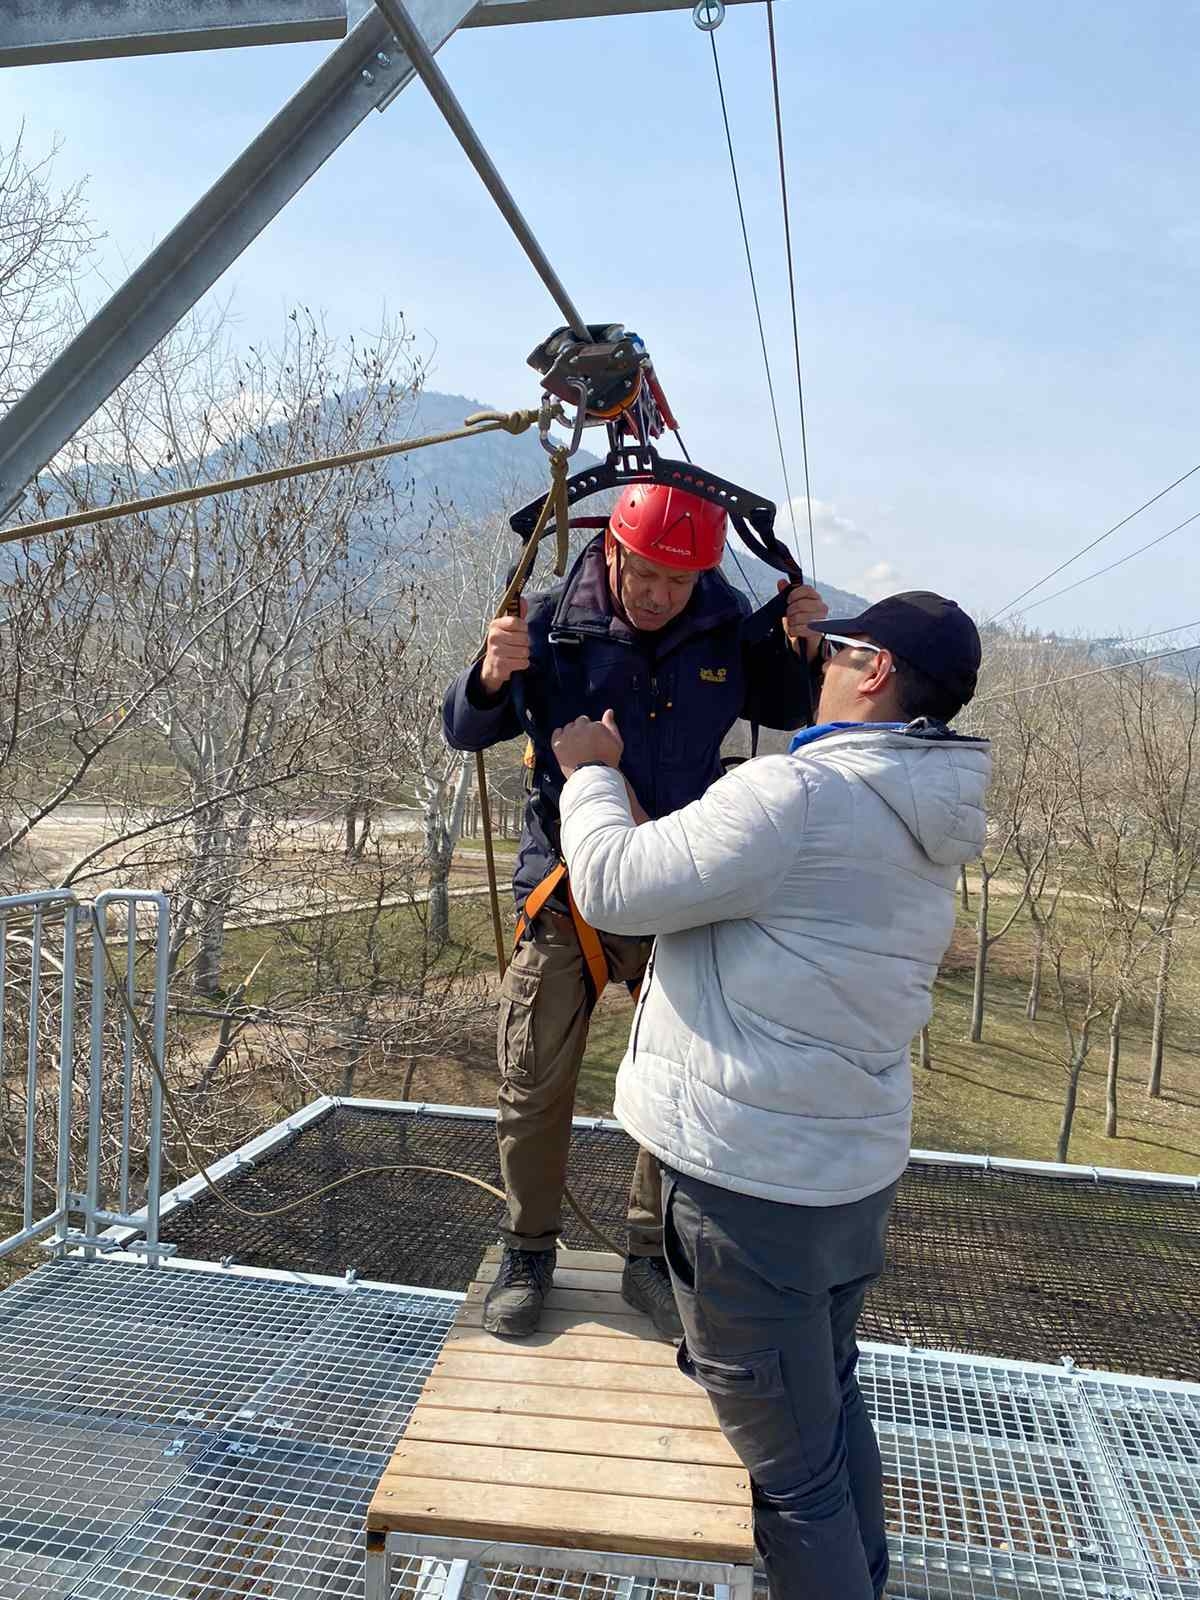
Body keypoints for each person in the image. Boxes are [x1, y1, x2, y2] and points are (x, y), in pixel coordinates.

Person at [552, 591, 991, 1600]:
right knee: (824, 1411)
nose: (816, 662)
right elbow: (758, 905)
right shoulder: (920, 813)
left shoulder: (795, 796)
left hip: (749, 1195)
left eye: (832, 649)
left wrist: (591, 775)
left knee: (792, 1483)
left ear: (875, 669)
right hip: (845, 1181)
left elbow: (611, 884)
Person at [443, 482, 827, 1338]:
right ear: (612, 551)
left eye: (679, 582)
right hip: (568, 889)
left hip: (678, 885)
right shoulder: (552, 627)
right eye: (646, 574)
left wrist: (805, 647)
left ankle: (650, 1254)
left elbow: (790, 707)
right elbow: (466, 729)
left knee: (680, 1084)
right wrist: (490, 673)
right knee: (533, 1079)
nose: (658, 596)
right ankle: (527, 1249)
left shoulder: (725, 626)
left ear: (703, 577)